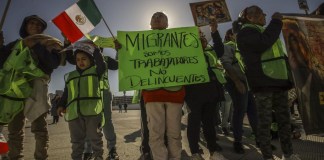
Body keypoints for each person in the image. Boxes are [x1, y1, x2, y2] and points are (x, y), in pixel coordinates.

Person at [236, 5, 300, 160]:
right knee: (264, 123)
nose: (264, 16)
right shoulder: (245, 33)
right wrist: (276, 21)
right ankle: (267, 156)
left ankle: (288, 154)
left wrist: (290, 79)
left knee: (284, 121)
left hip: (279, 83)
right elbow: (262, 43)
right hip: (263, 85)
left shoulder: (263, 31)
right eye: (261, 14)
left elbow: (280, 56)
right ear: (250, 17)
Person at [0, 15, 63, 160]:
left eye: (39, 24)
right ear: (25, 27)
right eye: (31, 23)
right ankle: (15, 157)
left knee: (39, 129)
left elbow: (52, 63)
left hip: (37, 90)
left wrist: (35, 44)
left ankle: (41, 157)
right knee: (15, 130)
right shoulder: (16, 44)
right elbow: (3, 63)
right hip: (14, 92)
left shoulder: (51, 44)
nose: (35, 26)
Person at [185, 18, 227, 160]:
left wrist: (214, 31)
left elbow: (220, 50)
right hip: (193, 91)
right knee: (194, 121)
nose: (201, 37)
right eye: (198, 35)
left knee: (209, 122)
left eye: (203, 36)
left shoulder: (210, 50)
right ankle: (195, 152)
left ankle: (213, 151)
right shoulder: (186, 51)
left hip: (210, 90)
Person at [57, 41, 105, 160]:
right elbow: (66, 93)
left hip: (92, 112)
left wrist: (96, 50)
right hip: (74, 113)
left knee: (95, 138)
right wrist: (60, 105)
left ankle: (98, 157)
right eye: (78, 60)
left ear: (90, 59)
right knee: (76, 141)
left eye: (84, 59)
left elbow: (102, 65)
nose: (80, 62)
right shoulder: (71, 75)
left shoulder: (95, 71)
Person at [220, 28, 258, 154]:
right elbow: (226, 64)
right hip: (236, 82)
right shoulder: (228, 46)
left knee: (253, 110)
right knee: (240, 111)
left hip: (245, 83)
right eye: (237, 34)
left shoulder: (238, 47)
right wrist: (237, 81)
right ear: (231, 35)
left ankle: (260, 140)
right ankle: (237, 141)